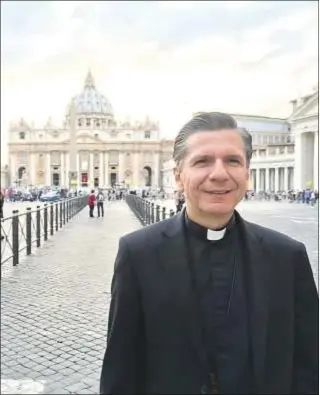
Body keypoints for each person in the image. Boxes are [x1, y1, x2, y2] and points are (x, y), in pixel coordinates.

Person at [100, 112, 318, 394]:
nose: (219, 174)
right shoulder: (138, 254)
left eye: (233, 161)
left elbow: (306, 366)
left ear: (247, 174)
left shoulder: (288, 257)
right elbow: (121, 366)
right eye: (202, 161)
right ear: (179, 176)